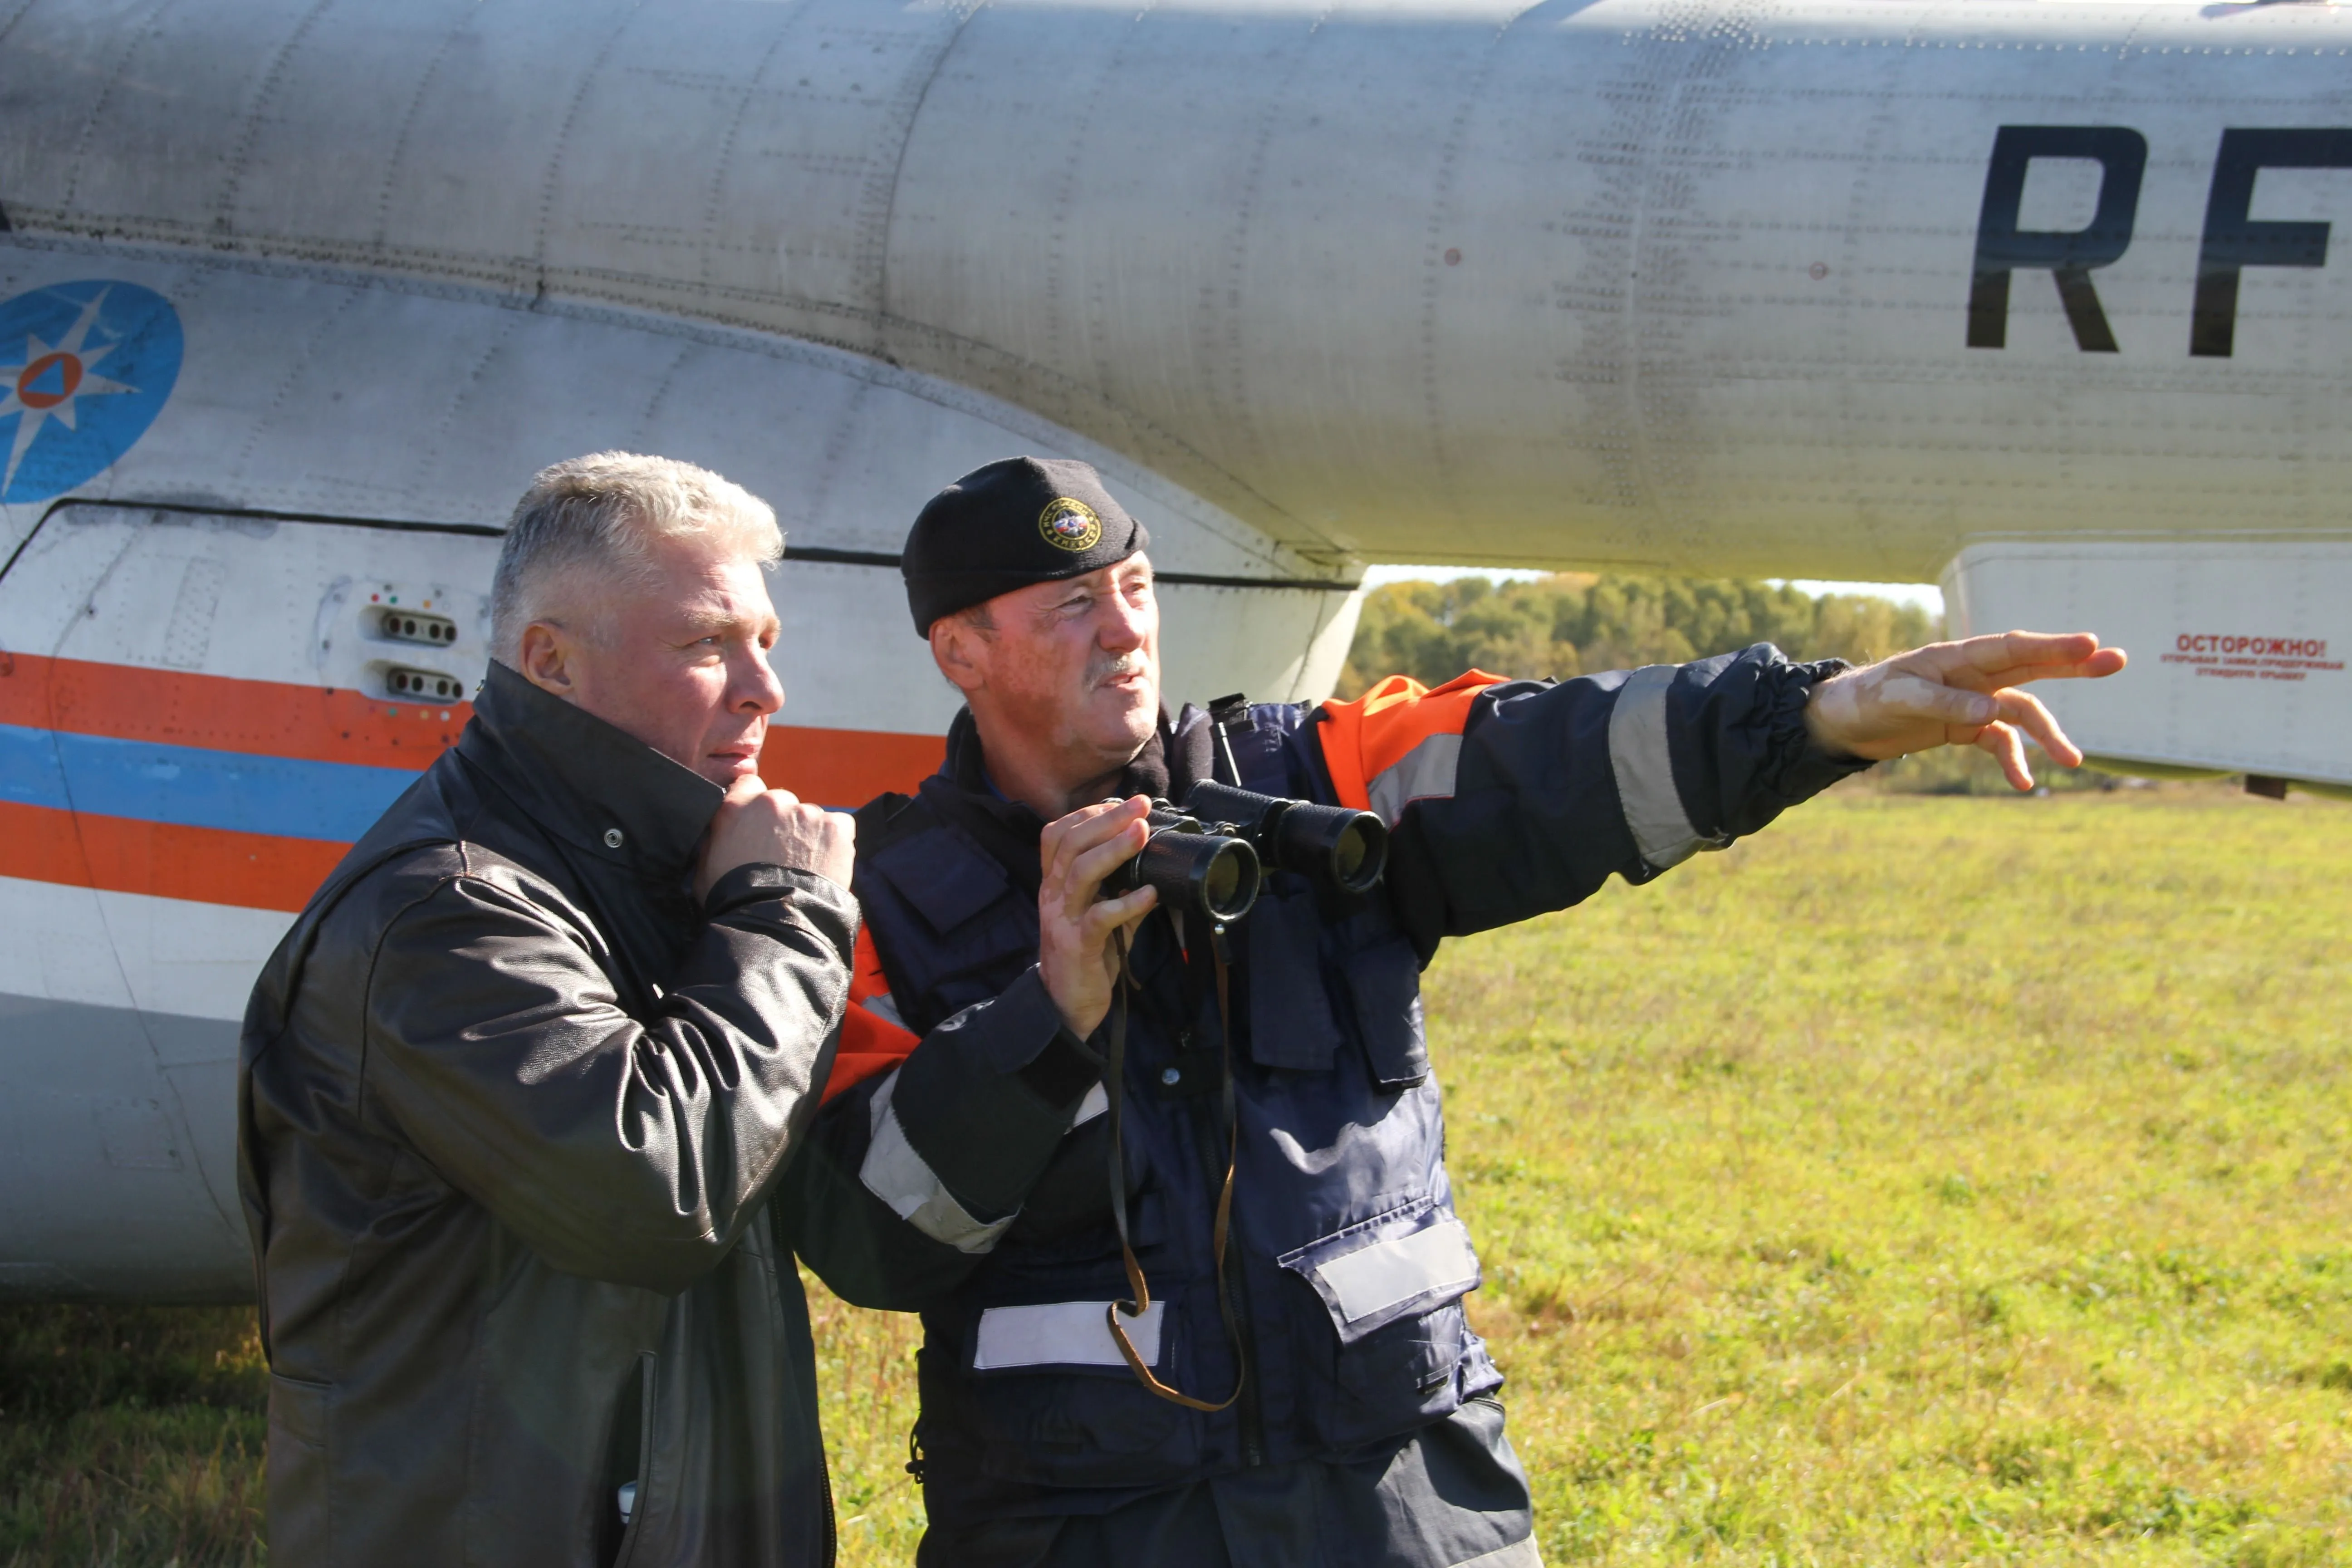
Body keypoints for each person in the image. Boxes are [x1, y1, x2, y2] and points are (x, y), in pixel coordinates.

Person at [779, 456, 2125, 1568]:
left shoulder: (1313, 778)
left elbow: (1549, 756)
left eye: (1134, 588)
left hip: (1401, 1501)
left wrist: (1816, 718)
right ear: (962, 650)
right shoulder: (881, 901)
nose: (1127, 630)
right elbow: (868, 1243)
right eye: (1072, 604)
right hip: (1086, 1527)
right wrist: (1046, 1015)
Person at [239, 453, 858, 1567]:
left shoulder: (666, 875)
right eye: (708, 644)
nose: (765, 690)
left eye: (766, 642)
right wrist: (787, 916)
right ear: (551, 662)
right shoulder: (446, 916)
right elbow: (658, 1189)